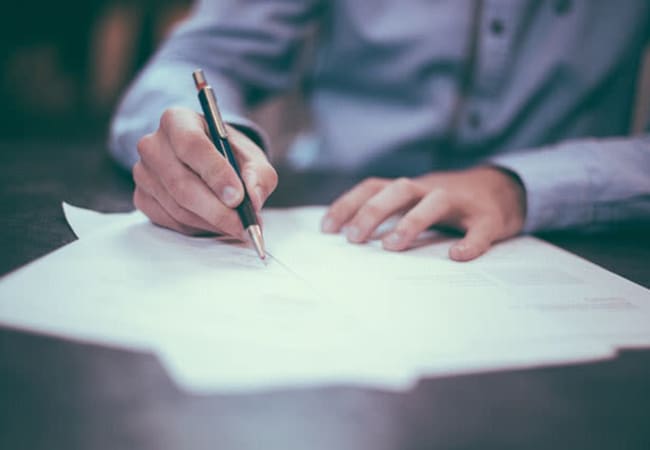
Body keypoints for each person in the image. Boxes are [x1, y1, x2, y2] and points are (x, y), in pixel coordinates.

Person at [109, 0, 650, 262]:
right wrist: (197, 142)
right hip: (332, 222)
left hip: (576, 242)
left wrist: (518, 185)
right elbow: (194, 59)